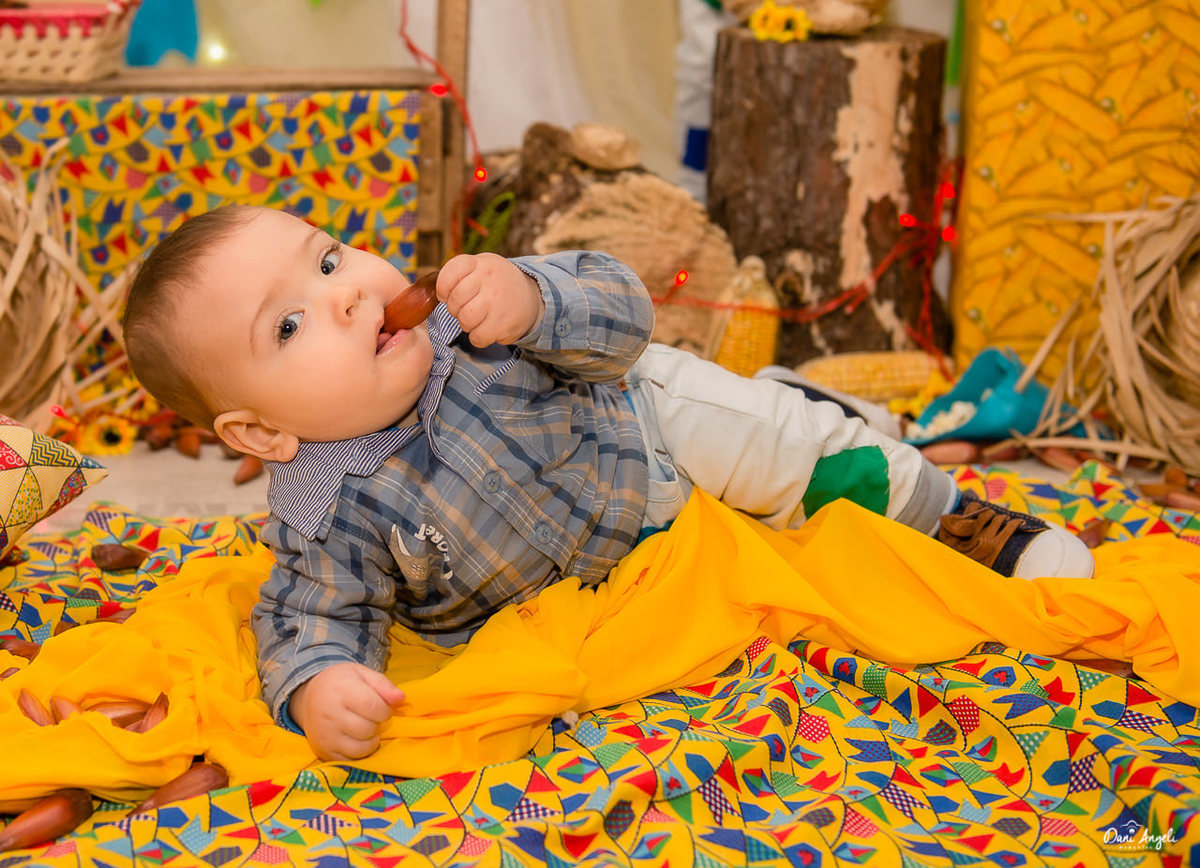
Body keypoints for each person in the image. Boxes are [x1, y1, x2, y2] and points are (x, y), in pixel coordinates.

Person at [122, 205, 1094, 761]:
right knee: (783, 535)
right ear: (261, 432)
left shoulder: (474, 312)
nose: (344, 294)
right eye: (289, 325)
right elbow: (307, 612)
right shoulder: (324, 512)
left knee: (802, 461)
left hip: (649, 431)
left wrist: (536, 297)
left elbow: (623, 308)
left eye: (330, 258)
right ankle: (812, 404)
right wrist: (319, 682)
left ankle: (957, 518)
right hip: (622, 573)